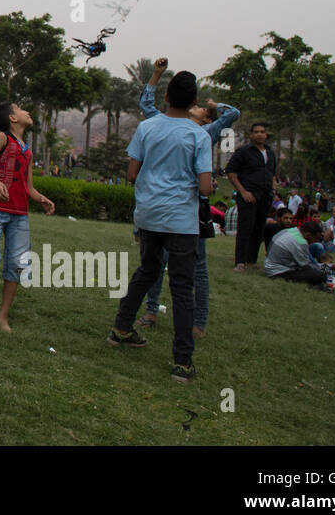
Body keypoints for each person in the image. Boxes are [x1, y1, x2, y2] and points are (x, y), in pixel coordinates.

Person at [107, 70, 212, 384]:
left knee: (147, 271)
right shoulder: (199, 136)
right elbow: (205, 188)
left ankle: (122, 328)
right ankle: (182, 362)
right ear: (194, 101)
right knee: (182, 287)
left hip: (149, 215)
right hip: (181, 220)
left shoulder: (147, 127)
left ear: (166, 96)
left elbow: (131, 174)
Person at [135, 56, 238, 337]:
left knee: (197, 269)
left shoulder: (205, 132)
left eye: (200, 107)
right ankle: (151, 310)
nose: (197, 108)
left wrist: (215, 108)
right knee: (155, 264)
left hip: (190, 211)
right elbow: (145, 104)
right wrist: (157, 74)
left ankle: (198, 322)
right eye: (196, 102)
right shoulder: (160, 122)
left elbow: (233, 114)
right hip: (162, 206)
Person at [0, 102, 54, 331]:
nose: (26, 112)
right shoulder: (2, 138)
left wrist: (42, 199)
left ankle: (3, 316)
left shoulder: (27, 150)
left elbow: (28, 188)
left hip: (19, 215)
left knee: (18, 265)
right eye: (20, 109)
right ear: (12, 118)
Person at [226, 122, 278, 271]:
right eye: (256, 132)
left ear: (266, 135)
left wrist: (273, 191)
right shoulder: (243, 151)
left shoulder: (270, 153)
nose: (259, 134)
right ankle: (240, 261)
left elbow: (272, 173)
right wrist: (242, 192)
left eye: (262, 132)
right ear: (251, 135)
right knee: (245, 228)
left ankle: (251, 260)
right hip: (248, 194)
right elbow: (231, 172)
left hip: (265, 196)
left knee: (258, 229)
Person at [263, 220, 331, 288]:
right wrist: (327, 267)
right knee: (321, 276)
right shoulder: (301, 243)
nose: (316, 241)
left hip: (269, 266)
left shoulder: (289, 230)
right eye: (316, 238)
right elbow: (307, 267)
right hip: (278, 272)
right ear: (309, 235)